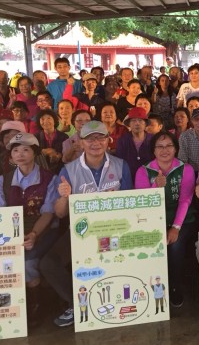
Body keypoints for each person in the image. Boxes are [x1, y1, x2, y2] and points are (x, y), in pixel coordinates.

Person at [42, 121, 133, 327]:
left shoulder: (121, 166)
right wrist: (64, 197)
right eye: (90, 139)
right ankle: (78, 303)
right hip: (81, 231)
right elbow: (60, 212)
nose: (95, 143)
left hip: (115, 229)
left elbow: (130, 205)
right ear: (81, 143)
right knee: (48, 263)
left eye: (100, 137)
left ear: (108, 141)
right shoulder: (68, 170)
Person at [0, 132, 60, 326]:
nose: (20, 154)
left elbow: (48, 213)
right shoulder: (2, 182)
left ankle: (37, 304)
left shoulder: (50, 179)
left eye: (25, 149)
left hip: (44, 230)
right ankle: (11, 309)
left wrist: (34, 235)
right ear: (11, 156)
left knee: (28, 262)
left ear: (35, 152)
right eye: (15, 150)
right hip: (12, 231)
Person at [135, 131, 196, 307]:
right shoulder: (143, 171)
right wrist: (155, 187)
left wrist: (175, 228)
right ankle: (151, 288)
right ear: (153, 150)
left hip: (182, 219)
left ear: (176, 149)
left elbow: (185, 200)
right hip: (152, 220)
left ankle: (175, 286)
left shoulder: (186, 169)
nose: (165, 150)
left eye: (169, 146)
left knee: (175, 245)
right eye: (160, 146)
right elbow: (142, 203)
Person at [116, 107, 153, 183]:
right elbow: (120, 163)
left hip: (150, 179)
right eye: (133, 120)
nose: (137, 123)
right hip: (128, 180)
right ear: (129, 124)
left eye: (140, 120)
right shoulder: (122, 140)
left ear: (145, 123)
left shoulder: (153, 140)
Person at [36, 109, 69, 174]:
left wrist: (59, 155)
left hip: (61, 171)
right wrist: (44, 152)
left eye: (49, 118)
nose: (45, 121)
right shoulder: (35, 138)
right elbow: (34, 156)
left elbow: (68, 155)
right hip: (42, 172)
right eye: (42, 119)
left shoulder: (64, 137)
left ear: (54, 120)